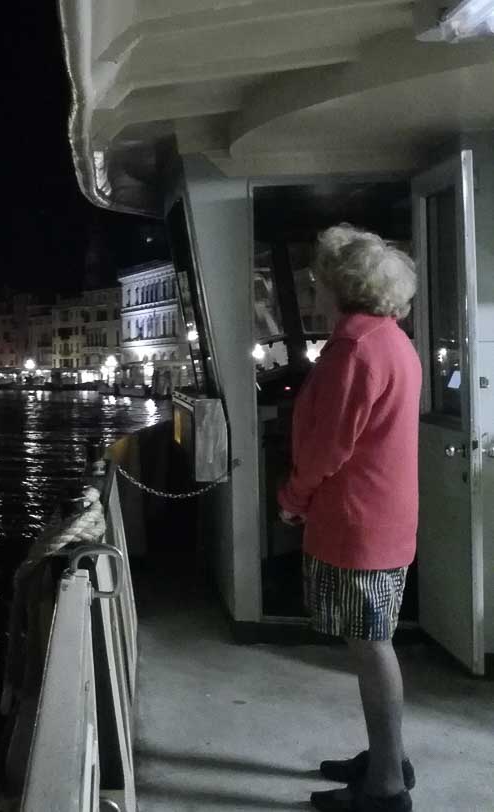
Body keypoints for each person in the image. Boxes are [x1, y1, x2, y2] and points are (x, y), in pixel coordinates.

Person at [278, 225, 420, 812]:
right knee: (374, 642)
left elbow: (325, 448)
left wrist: (293, 498)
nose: (314, 289)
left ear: (340, 285)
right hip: (385, 518)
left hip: (356, 524)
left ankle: (385, 787)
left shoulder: (354, 350)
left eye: (318, 280)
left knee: (370, 647)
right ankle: (388, 759)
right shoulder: (391, 340)